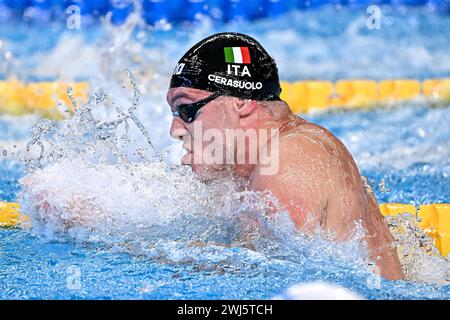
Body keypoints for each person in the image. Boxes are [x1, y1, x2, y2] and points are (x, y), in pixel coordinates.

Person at [167, 32, 404, 280]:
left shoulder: (288, 158)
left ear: (240, 101)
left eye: (186, 110)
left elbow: (275, 280)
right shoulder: (259, 164)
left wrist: (170, 257)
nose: (175, 131)